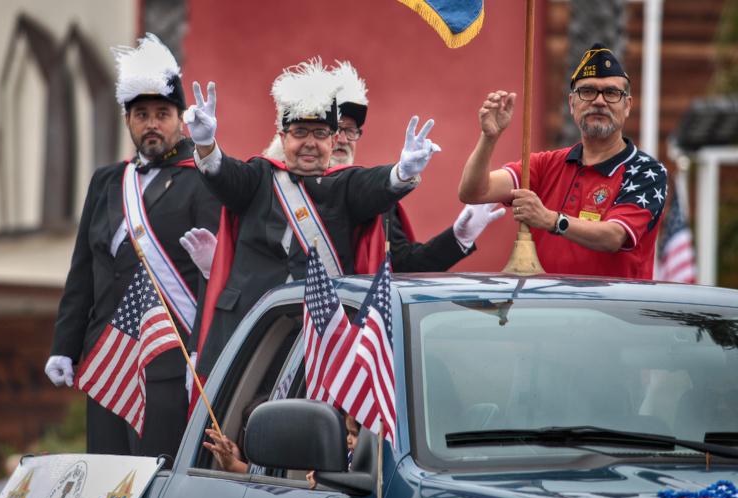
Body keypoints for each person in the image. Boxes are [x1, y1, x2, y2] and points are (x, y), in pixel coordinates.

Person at [185, 58, 439, 377]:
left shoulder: (346, 186)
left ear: (334, 140)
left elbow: (376, 185)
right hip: (248, 333)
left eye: (320, 133)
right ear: (282, 136)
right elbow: (223, 174)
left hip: (320, 342)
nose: (309, 142)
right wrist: (206, 145)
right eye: (299, 131)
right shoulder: (258, 177)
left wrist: (403, 172)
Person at [43, 34, 220, 458]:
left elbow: (212, 276)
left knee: (153, 476)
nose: (152, 124)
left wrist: (202, 347)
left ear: (180, 119)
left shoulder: (201, 179)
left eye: (163, 113)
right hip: (106, 355)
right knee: (110, 480)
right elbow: (83, 270)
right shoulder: (107, 181)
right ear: (128, 120)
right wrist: (65, 346)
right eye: (141, 114)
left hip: (168, 357)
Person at [457, 43, 667, 279]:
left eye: (611, 93)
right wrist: (489, 137)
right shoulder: (547, 164)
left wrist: (550, 219)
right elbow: (474, 191)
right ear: (571, 103)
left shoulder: (645, 170)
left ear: (627, 106)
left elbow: (613, 236)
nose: (599, 101)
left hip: (613, 312)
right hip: (548, 310)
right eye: (587, 91)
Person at [329, 61, 504, 271]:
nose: (344, 139)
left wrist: (459, 237)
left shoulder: (377, 196)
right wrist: (400, 175)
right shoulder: (285, 187)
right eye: (336, 129)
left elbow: (404, 267)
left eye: (351, 130)